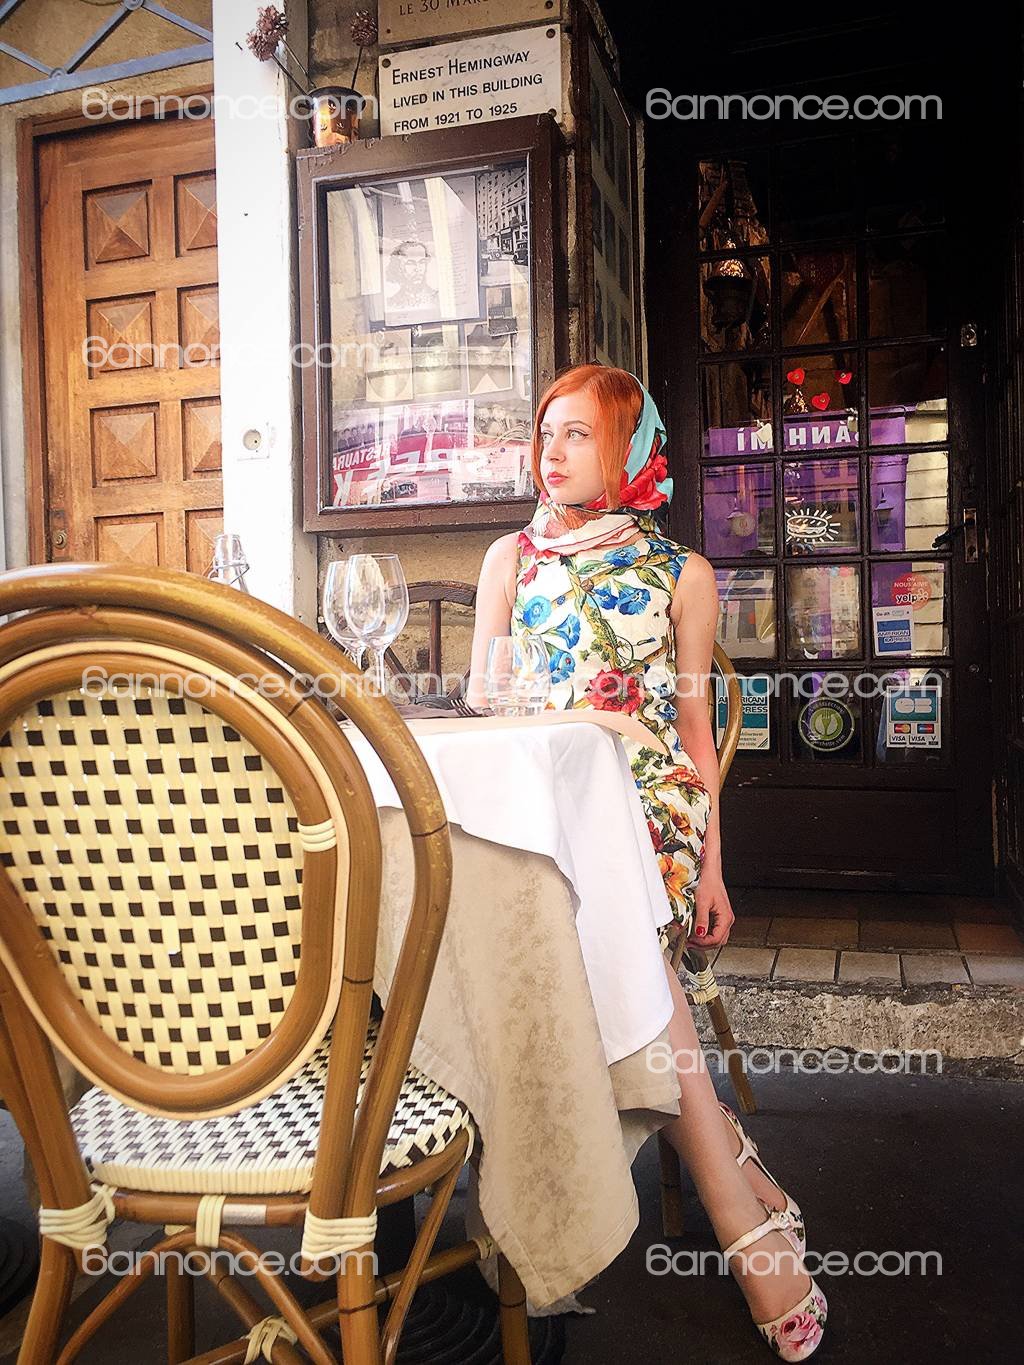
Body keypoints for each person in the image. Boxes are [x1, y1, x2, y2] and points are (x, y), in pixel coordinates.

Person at [467, 363, 827, 1362]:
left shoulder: (684, 575)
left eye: (578, 433)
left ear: (630, 449)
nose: (551, 451)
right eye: (546, 431)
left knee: (605, 905)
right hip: (539, 810)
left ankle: (696, 1205)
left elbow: (696, 737)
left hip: (647, 816)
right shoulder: (508, 559)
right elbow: (486, 703)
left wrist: (712, 868)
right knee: (562, 898)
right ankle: (734, 1176)